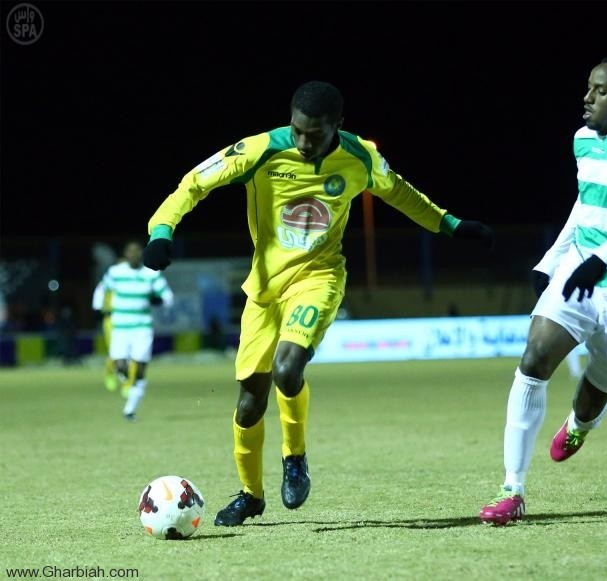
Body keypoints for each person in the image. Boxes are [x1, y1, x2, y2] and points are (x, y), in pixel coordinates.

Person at [141, 81, 495, 527]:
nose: (305, 142)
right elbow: (195, 182)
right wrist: (162, 230)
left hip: (319, 277)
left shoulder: (360, 155)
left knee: (289, 368)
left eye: (316, 134)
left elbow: (399, 191)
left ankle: (295, 458)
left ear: (338, 125)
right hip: (265, 289)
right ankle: (251, 495)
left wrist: (450, 224)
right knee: (250, 400)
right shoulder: (261, 150)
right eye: (299, 131)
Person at [479, 55, 607, 525]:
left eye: (601, 91)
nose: (587, 98)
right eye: (588, 87)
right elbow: (585, 202)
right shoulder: (584, 140)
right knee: (535, 357)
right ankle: (513, 489)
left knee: (594, 394)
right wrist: (553, 259)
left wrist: (603, 259)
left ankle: (581, 424)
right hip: (582, 272)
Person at [92, 241, 174, 420]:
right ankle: (126, 381)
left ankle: (130, 409)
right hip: (120, 327)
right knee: (120, 365)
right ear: (126, 255)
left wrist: (158, 300)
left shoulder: (151, 274)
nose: (134, 256)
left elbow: (168, 296)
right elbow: (101, 289)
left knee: (140, 369)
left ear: (142, 255)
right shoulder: (116, 272)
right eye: (131, 252)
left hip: (142, 329)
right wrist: (98, 307)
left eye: (137, 253)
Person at [92, 255, 124, 391]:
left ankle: (125, 377)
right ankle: (110, 373)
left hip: (129, 319)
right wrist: (101, 308)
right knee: (115, 350)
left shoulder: (132, 281)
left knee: (129, 351)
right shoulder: (109, 281)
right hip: (112, 319)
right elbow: (98, 295)